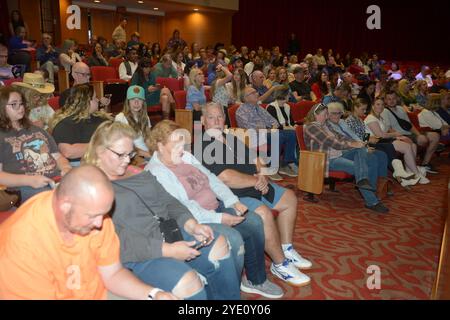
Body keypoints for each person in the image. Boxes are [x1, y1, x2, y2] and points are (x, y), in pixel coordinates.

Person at [83, 121, 240, 300]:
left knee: (219, 244)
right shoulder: (91, 185)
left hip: (169, 231)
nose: (127, 160)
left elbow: (168, 201)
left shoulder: (136, 172)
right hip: (141, 252)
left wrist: (191, 225)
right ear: (99, 150)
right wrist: (167, 250)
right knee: (188, 282)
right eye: (121, 154)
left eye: (130, 153)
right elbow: (117, 239)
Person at [146, 120, 292, 298]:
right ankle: (228, 291)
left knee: (253, 221)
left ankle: (256, 280)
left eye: (182, 143)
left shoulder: (185, 157)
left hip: (216, 207)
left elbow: (212, 179)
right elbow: (184, 207)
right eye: (176, 144)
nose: (182, 147)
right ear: (160, 146)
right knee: (234, 239)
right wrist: (219, 218)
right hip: (196, 220)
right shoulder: (157, 172)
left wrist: (232, 201)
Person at [0, 165, 178, 300]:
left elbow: (113, 274)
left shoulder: (94, 217)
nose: (101, 223)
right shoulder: (19, 246)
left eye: (104, 213)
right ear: (65, 206)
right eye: (93, 216)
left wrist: (154, 294)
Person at [198, 102, 312, 286]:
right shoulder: (203, 145)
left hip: (257, 185)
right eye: (211, 117)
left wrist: (262, 175)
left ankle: (287, 248)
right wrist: (256, 181)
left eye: (220, 116)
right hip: (234, 197)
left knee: (289, 198)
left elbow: (256, 158)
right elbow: (225, 178)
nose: (217, 121)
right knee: (263, 214)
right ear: (203, 121)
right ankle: (280, 264)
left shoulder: (231, 138)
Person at [303, 103, 390, 213]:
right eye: (325, 115)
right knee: (360, 165)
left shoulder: (327, 125)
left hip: (339, 155)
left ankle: (366, 184)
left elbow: (341, 137)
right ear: (315, 114)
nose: (326, 117)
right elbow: (332, 142)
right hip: (326, 160)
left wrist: (357, 143)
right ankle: (372, 201)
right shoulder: (311, 127)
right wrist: (352, 144)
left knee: (369, 156)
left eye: (327, 115)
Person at [0, 87, 71, 202]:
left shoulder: (37, 130)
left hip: (54, 180)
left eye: (21, 103)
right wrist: (28, 180)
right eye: (14, 104)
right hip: (24, 186)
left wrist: (66, 167)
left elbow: (58, 157)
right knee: (57, 200)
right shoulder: (2, 136)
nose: (20, 107)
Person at [236, 87, 298, 180]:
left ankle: (285, 164)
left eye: (256, 92)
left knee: (291, 133)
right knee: (277, 135)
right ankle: (271, 167)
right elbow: (250, 127)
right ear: (245, 98)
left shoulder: (259, 108)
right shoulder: (241, 111)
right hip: (252, 137)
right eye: (253, 93)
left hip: (266, 133)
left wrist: (270, 128)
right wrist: (268, 129)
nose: (257, 94)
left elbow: (274, 122)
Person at [364, 97, 425, 186]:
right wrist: (396, 135)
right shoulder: (370, 118)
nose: (380, 106)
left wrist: (400, 136)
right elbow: (381, 135)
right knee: (407, 146)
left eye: (382, 104)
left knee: (412, 145)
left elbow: (388, 130)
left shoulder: (380, 117)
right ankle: (416, 173)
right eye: (378, 104)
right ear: (372, 106)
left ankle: (410, 171)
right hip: (376, 142)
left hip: (383, 140)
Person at [50, 83, 112, 166]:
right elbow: (68, 152)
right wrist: (103, 145)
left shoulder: (102, 119)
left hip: (105, 161)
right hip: (78, 165)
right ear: (86, 102)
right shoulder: (65, 124)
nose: (97, 100)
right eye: (94, 98)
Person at [383, 91, 439, 174]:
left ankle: (425, 163)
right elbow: (388, 128)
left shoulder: (401, 108)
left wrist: (418, 134)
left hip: (409, 133)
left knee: (435, 136)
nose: (391, 101)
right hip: (401, 135)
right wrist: (401, 137)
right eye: (389, 99)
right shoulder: (384, 111)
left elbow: (410, 125)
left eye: (394, 98)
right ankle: (413, 167)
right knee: (422, 141)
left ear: (397, 99)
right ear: (385, 100)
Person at [115, 85, 151, 160]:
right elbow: (122, 145)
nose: (136, 103)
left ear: (143, 102)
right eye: (133, 99)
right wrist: (147, 154)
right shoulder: (121, 118)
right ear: (127, 102)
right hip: (132, 156)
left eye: (139, 99)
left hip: (146, 154)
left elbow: (148, 140)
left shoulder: (145, 117)